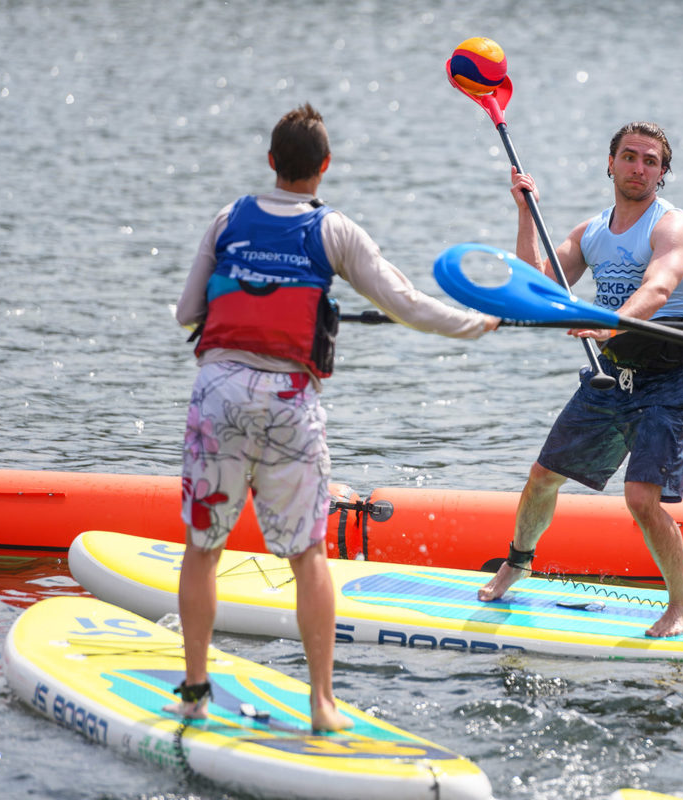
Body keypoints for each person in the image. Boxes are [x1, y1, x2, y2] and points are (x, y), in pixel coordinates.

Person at [171, 103, 498, 730]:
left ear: (271, 161)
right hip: (289, 404)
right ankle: (321, 703)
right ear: (324, 167)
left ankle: (194, 688)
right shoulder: (334, 232)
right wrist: (475, 324)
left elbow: (189, 313)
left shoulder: (226, 220)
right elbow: (404, 303)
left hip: (219, 398)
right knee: (308, 553)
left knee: (203, 549)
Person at [477, 121, 683, 638]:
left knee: (642, 500)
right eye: (629, 157)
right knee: (542, 478)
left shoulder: (671, 227)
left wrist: (609, 322)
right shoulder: (593, 232)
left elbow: (661, 286)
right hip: (609, 375)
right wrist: (523, 212)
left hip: (666, 381)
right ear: (610, 164)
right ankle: (518, 560)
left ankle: (682, 605)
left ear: (662, 173)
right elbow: (537, 284)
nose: (638, 167)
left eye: (650, 161)